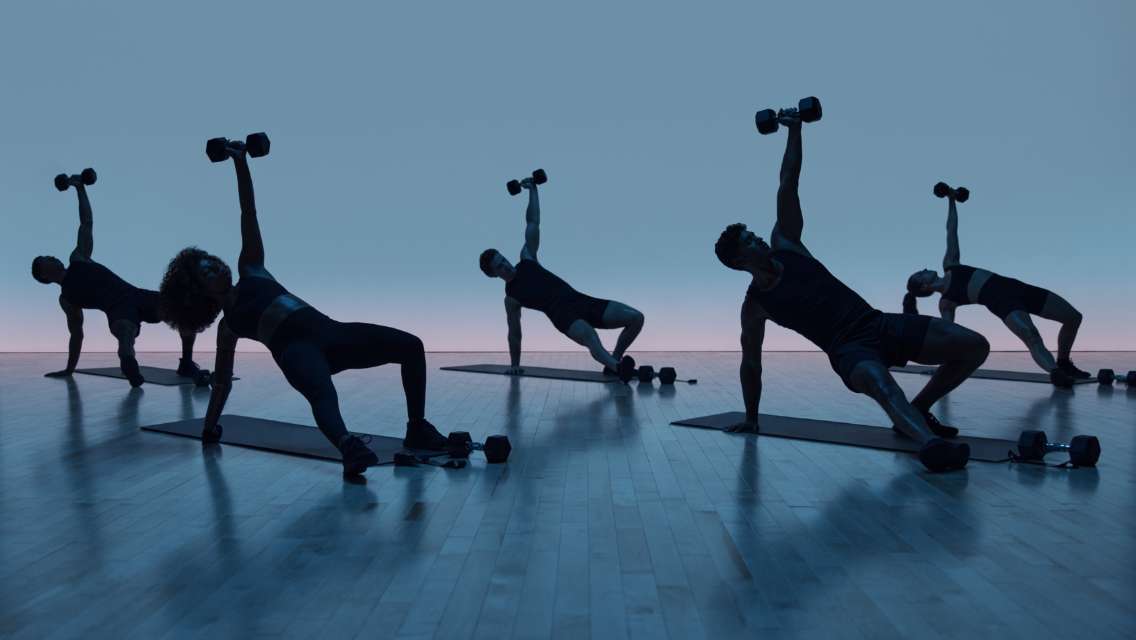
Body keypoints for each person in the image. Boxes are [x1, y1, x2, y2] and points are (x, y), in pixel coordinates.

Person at [714, 108, 990, 472]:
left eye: (753, 234)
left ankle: (918, 410)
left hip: (878, 324)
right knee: (883, 386)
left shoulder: (787, 244)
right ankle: (931, 446)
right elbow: (751, 363)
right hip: (849, 351)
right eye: (749, 241)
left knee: (975, 346)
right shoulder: (755, 305)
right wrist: (752, 417)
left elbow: (788, 181)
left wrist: (795, 131)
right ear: (739, 262)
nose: (758, 239)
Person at [157, 136, 447, 476]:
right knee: (322, 394)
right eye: (205, 272)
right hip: (296, 353)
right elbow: (222, 382)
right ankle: (348, 448)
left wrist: (241, 163)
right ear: (198, 293)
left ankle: (417, 426)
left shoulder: (252, 268)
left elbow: (248, 212)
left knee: (411, 346)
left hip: (333, 333)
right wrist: (209, 427)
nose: (214, 267)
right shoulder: (229, 325)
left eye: (211, 262)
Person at [903, 189, 1088, 388]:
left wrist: (951, 199)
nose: (924, 269)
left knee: (1073, 317)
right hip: (1003, 303)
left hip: (1020, 288)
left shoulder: (951, 264)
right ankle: (1055, 372)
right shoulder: (947, 302)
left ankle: (1064, 362)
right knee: (1031, 335)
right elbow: (948, 335)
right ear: (924, 286)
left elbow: (951, 230)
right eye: (920, 274)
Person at [31, 172, 201, 386]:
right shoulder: (66, 299)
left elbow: (86, 222)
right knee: (125, 332)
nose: (51, 256)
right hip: (117, 309)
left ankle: (186, 362)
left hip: (136, 295)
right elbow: (76, 334)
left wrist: (80, 188)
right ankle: (129, 365)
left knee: (183, 310)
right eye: (46, 259)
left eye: (49, 255)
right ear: (44, 276)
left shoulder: (79, 258)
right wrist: (69, 369)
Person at [479, 175, 645, 381]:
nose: (505, 265)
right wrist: (515, 365)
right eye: (499, 266)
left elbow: (533, 222)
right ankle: (618, 369)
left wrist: (533, 190)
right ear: (493, 274)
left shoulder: (527, 257)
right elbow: (514, 333)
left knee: (636, 318)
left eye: (503, 259)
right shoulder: (511, 298)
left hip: (581, 300)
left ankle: (615, 362)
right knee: (590, 337)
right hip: (563, 317)